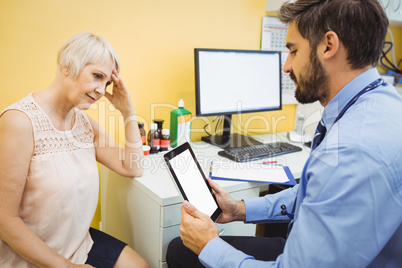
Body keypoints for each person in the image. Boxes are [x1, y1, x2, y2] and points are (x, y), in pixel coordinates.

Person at [166, 0, 402, 267]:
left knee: (186, 251)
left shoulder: (353, 150)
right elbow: (316, 193)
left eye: (293, 50)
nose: (286, 66)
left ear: (328, 45)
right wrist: (239, 209)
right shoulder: (380, 102)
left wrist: (210, 246)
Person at [0, 32, 149, 268]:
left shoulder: (84, 124)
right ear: (67, 66)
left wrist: (127, 113)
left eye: (107, 83)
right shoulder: (19, 122)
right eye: (97, 76)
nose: (101, 90)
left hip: (78, 242)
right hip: (30, 254)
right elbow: (5, 220)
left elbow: (133, 167)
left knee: (140, 265)